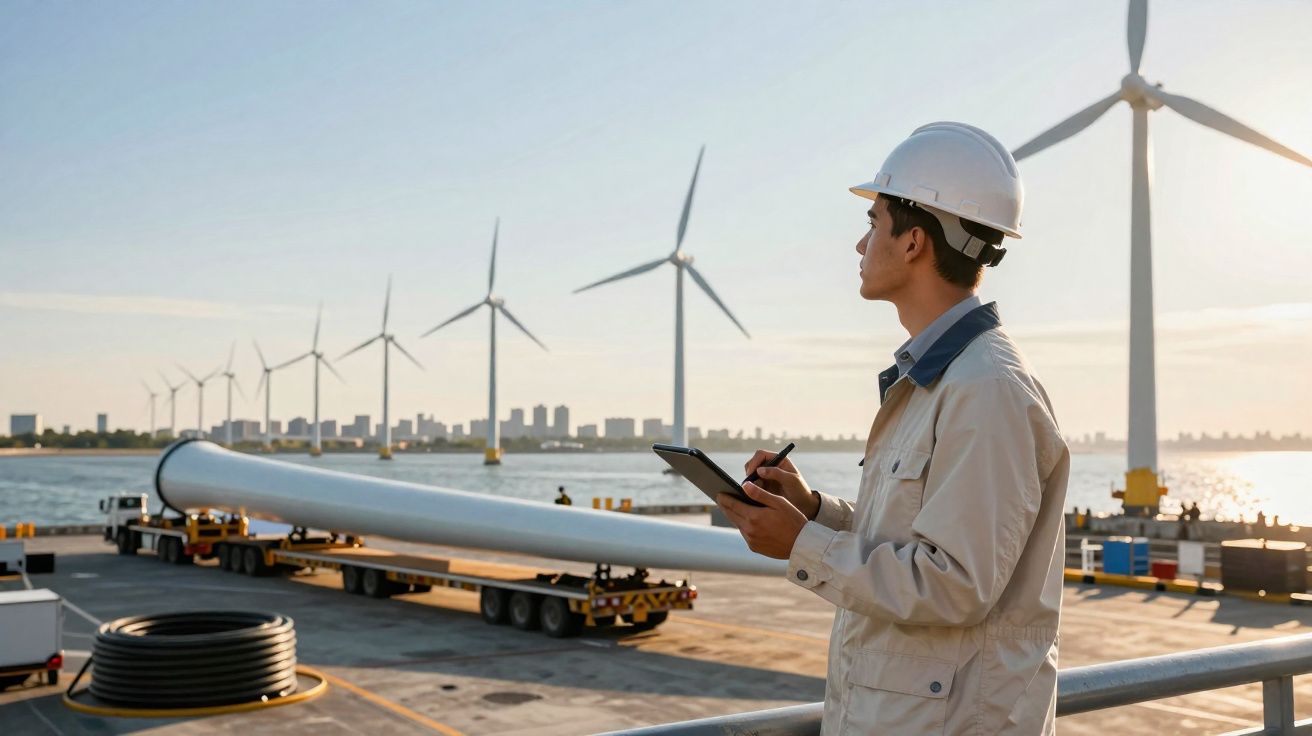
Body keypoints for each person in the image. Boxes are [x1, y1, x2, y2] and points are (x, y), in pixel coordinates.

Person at [716, 123, 1069, 735]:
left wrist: (802, 545)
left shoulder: (987, 391)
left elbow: (955, 585)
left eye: (874, 221)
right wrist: (814, 510)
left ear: (912, 242)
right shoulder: (941, 378)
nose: (859, 244)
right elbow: (913, 538)